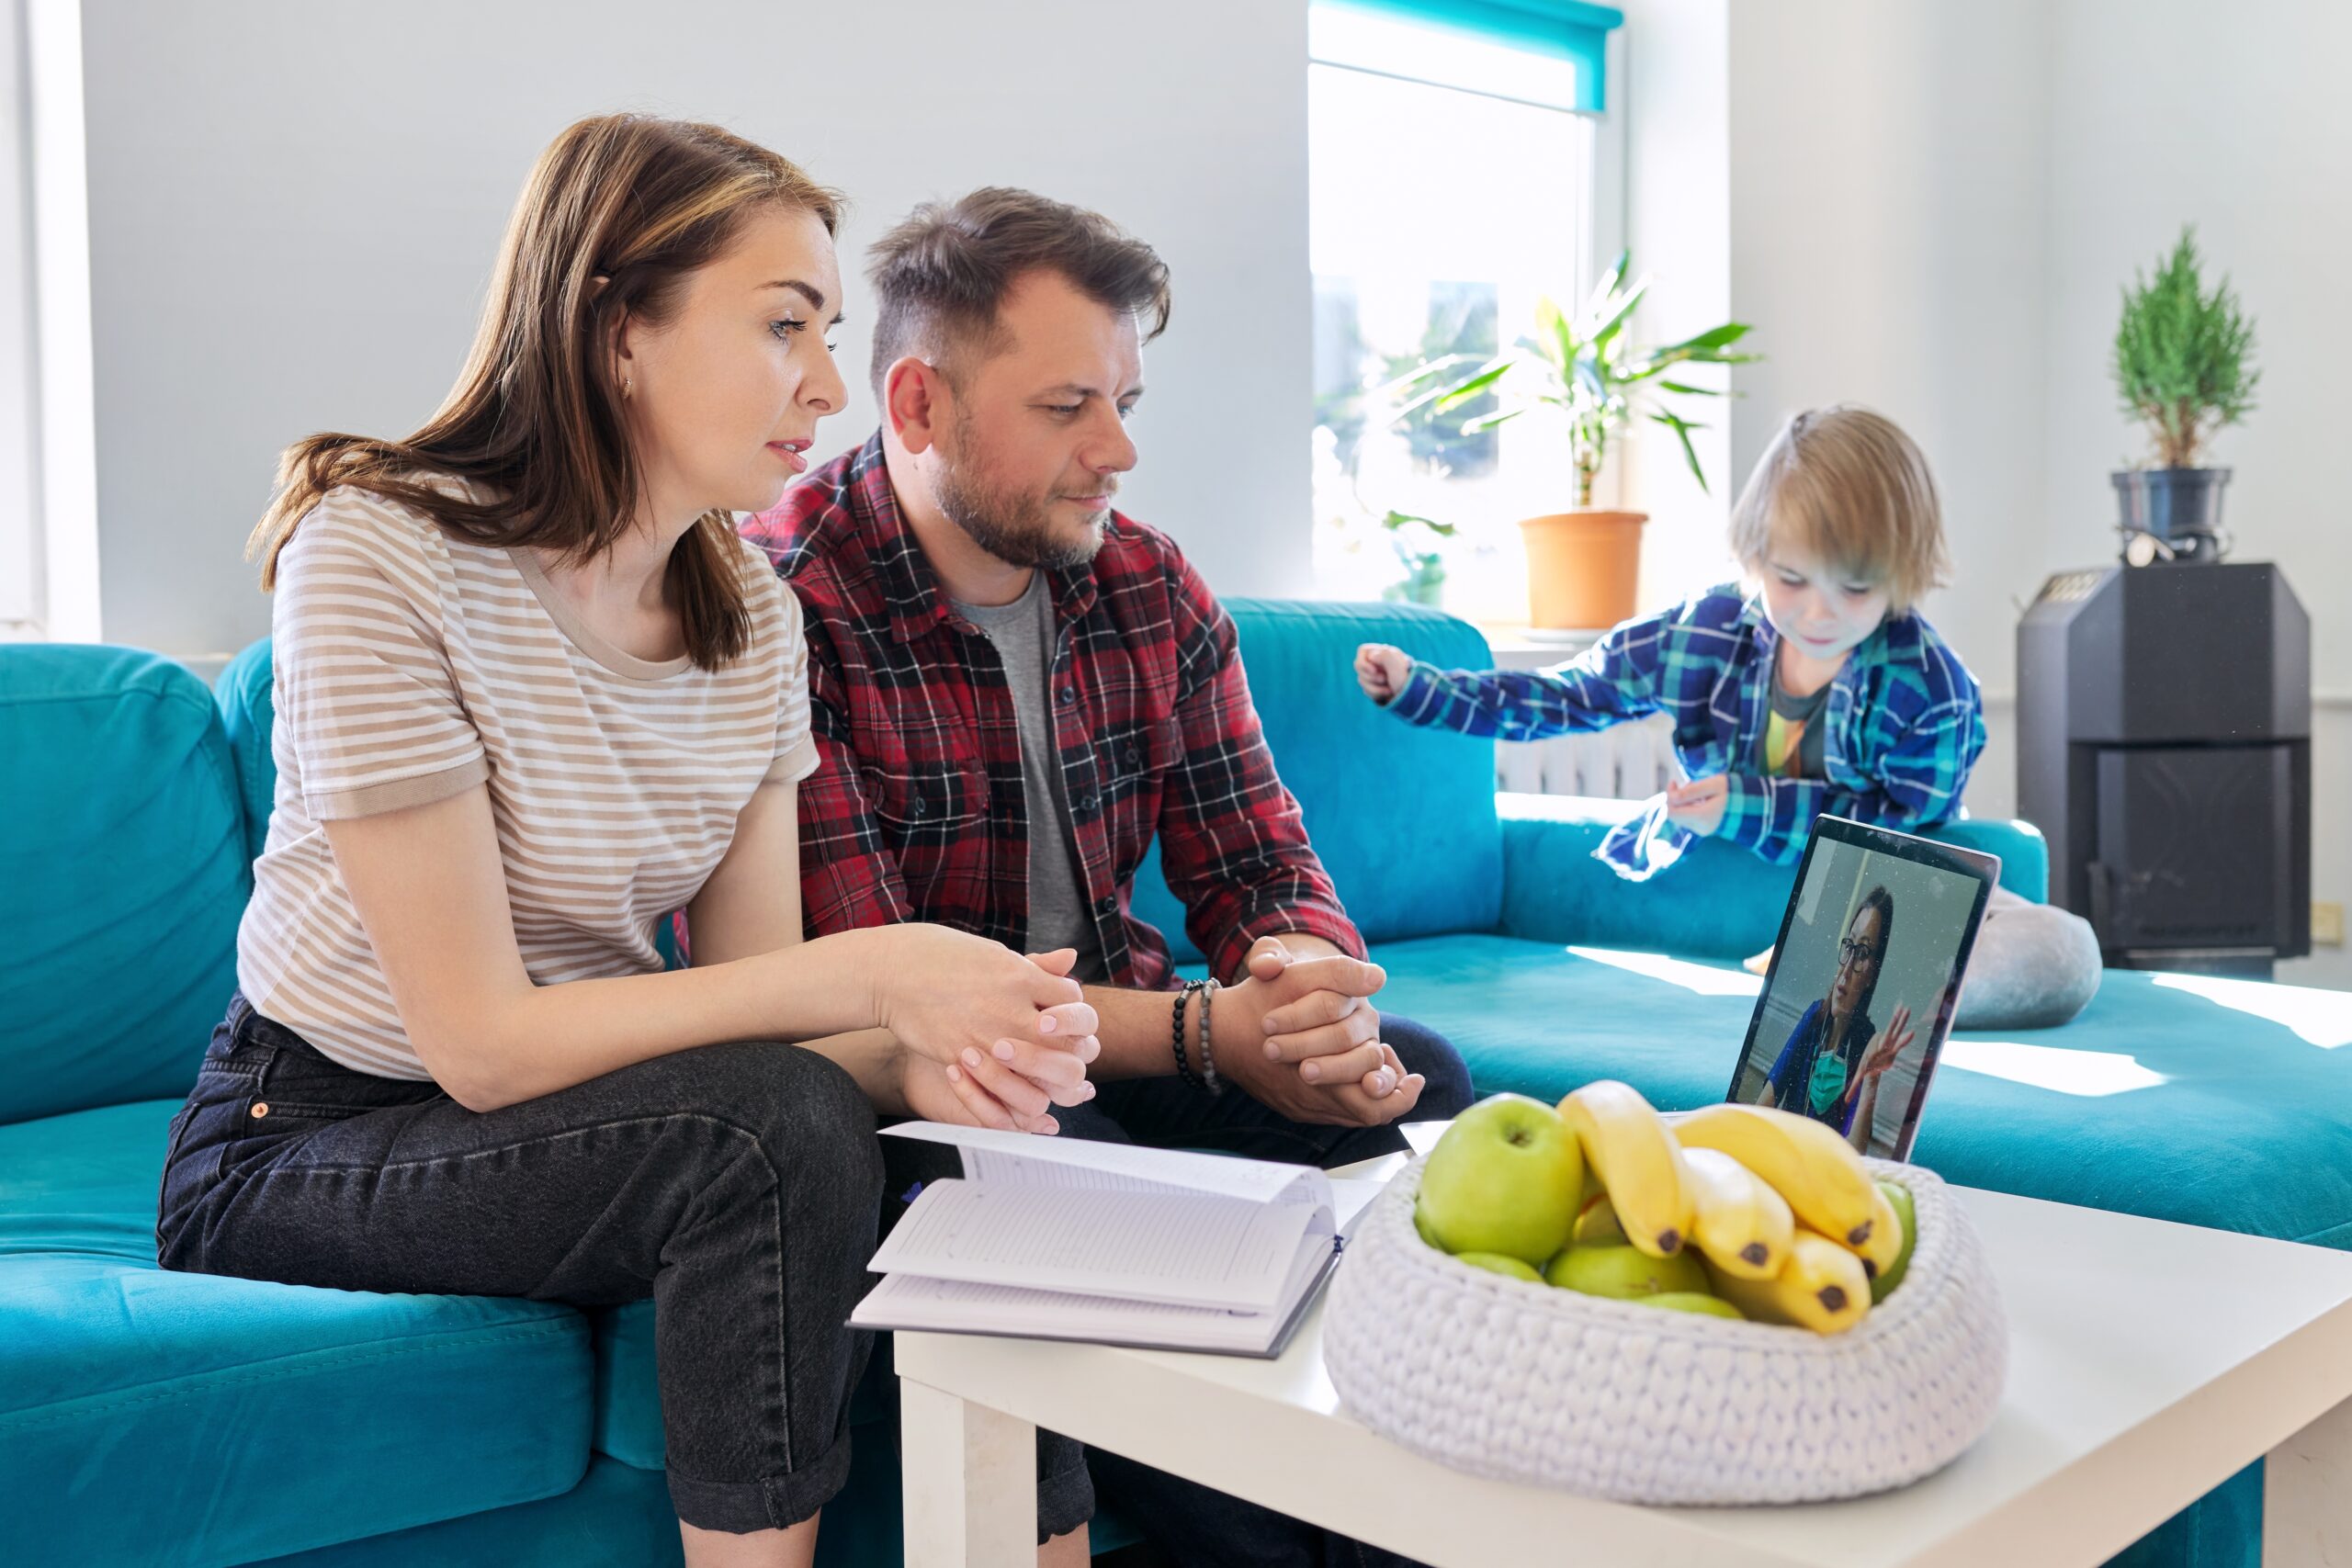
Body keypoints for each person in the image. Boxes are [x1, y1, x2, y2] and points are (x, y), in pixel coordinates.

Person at [154, 117, 1102, 1568]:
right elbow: (479, 1044)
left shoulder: (752, 613)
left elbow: (762, 995)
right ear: (616, 328)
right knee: (765, 1129)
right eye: (785, 323)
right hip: (310, 1131)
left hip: (585, 1101)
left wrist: (940, 1056)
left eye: (831, 330)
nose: (829, 384)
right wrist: (891, 962)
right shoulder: (380, 549)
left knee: (973, 1145)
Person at [740, 186, 1474, 1566]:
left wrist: (1303, 987)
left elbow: (1260, 858)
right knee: (1033, 1157)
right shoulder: (778, 603)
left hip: (1130, 1055)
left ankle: (1445, 1516)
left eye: (1125, 397)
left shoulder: (1145, 582)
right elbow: (885, 988)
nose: (1119, 449)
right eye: (1070, 405)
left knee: (1417, 1076)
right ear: (917, 405)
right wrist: (1213, 1029)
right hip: (932, 1094)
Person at [1356, 405, 1986, 882]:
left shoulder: (1930, 691)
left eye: (1855, 588)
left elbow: (1907, 840)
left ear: (1902, 574)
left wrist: (1746, 807)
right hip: (1718, 892)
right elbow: (1571, 695)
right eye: (1790, 579)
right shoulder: (1708, 630)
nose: (1818, 613)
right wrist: (1424, 689)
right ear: (1755, 556)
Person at [1750, 886, 1915, 1154]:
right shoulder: (1815, 1018)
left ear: (1873, 972)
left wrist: (1871, 1081)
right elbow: (1764, 1103)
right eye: (1849, 945)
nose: (1847, 967)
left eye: (1863, 953)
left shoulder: (1866, 1044)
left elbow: (1855, 1157)